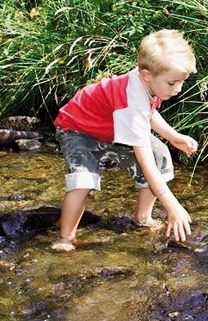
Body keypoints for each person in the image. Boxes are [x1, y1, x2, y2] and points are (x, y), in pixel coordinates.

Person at [51, 29, 199, 252]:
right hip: (78, 129)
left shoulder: (149, 81)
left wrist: (173, 137)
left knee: (160, 156)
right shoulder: (133, 96)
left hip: (113, 128)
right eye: (172, 83)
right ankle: (66, 237)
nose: (178, 89)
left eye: (181, 82)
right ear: (147, 75)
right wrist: (172, 205)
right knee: (83, 180)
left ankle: (142, 218)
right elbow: (144, 159)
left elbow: (146, 112)